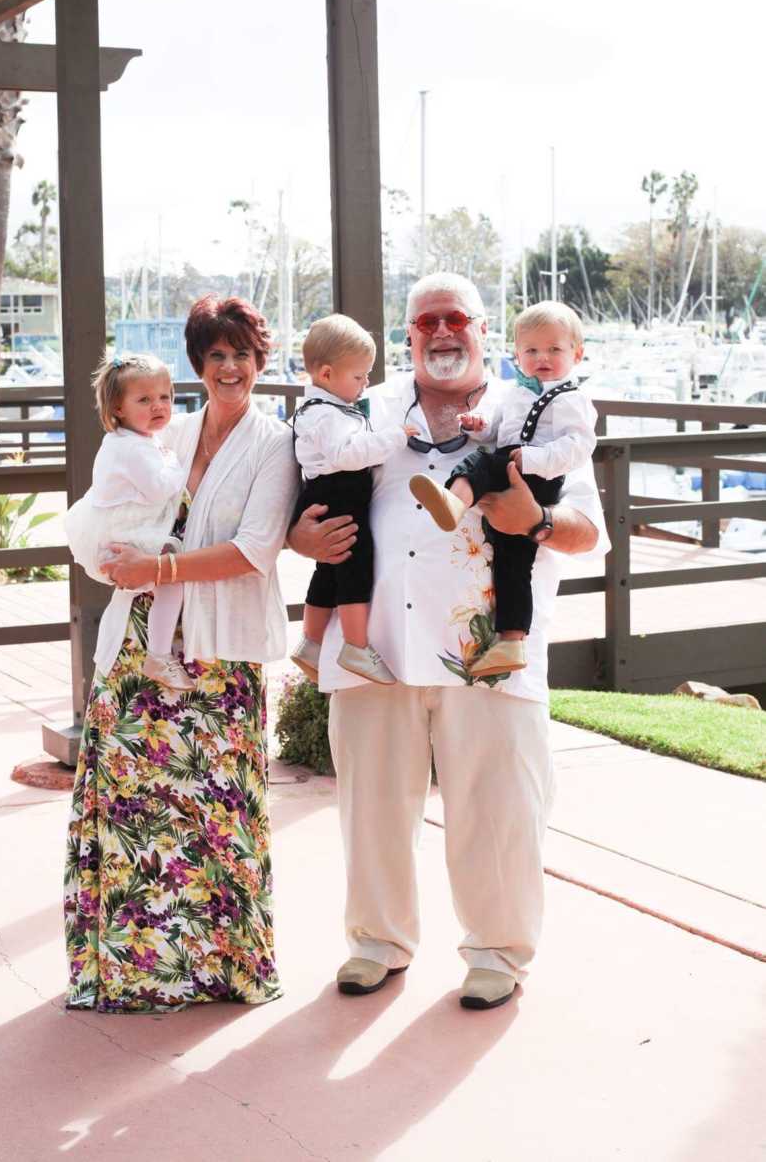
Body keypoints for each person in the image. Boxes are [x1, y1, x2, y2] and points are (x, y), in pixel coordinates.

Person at [289, 273, 606, 1011]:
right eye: (425, 322)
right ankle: (376, 942)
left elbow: (590, 534)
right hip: (374, 649)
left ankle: (496, 952)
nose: (441, 333)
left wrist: (534, 520)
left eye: (455, 320)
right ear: (406, 336)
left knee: (498, 812)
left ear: (483, 331)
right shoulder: (362, 404)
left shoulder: (533, 410)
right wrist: (299, 535)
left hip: (490, 655)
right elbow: (292, 502)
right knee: (371, 810)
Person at [64, 294, 300, 1014]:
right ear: (199, 363)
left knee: (216, 811)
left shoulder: (274, 443)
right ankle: (133, 970)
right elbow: (108, 511)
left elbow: (256, 550)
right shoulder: (167, 424)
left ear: (260, 362)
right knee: (132, 805)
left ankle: (222, 968)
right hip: (139, 642)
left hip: (219, 652)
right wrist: (117, 563)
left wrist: (156, 570)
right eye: (216, 355)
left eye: (242, 355)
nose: (229, 367)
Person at [409, 300, 596, 678]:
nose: (542, 358)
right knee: (513, 564)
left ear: (577, 353)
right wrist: (480, 424)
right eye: (531, 350)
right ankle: (512, 640)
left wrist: (534, 459)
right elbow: (500, 428)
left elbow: (579, 445)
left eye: (554, 350)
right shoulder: (515, 392)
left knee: (480, 465)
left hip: (534, 475)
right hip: (516, 462)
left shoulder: (572, 398)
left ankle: (454, 500)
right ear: (516, 353)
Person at [289, 314, 419, 686]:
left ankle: (311, 642)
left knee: (328, 573)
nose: (365, 385)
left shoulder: (323, 410)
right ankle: (356, 645)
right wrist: (394, 437)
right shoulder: (326, 416)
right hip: (339, 496)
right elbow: (348, 454)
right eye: (359, 376)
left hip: (329, 495)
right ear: (327, 374)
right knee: (354, 568)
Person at [63, 352, 193, 691]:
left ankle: (159, 651)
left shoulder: (131, 441)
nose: (158, 406)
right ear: (118, 409)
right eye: (145, 400)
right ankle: (159, 654)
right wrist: (181, 465)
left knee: (168, 579)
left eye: (165, 397)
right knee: (172, 577)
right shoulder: (133, 449)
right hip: (127, 533)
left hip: (120, 526)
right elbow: (158, 490)